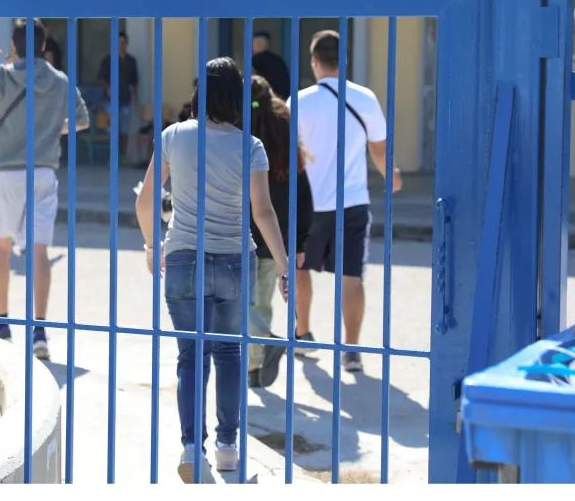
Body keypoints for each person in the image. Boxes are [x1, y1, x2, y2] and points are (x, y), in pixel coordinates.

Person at [135, 57, 289, 483]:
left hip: (183, 256)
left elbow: (145, 201)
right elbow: (263, 212)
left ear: (199, 94)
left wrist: (152, 244)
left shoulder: (173, 136)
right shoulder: (250, 146)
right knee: (228, 352)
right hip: (234, 260)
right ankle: (227, 447)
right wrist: (283, 267)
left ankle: (191, 446)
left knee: (190, 356)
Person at [0, 19, 90, 360]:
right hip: (44, 170)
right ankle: (39, 331)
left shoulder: (1, 77)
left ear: (14, 45)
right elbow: (83, 121)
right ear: (44, 45)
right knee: (39, 251)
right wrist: (51, 130)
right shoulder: (60, 80)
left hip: (7, 171)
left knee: (1, 248)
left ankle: (2, 323)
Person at [291, 30, 402, 373]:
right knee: (351, 276)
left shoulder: (299, 101)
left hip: (308, 204)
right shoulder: (364, 98)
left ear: (314, 61)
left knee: (299, 268)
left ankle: (303, 333)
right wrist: (393, 177)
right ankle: (351, 350)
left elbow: (288, 153)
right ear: (344, 60)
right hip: (351, 202)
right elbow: (379, 150)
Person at [248, 75, 314, 388]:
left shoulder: (237, 137)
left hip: (235, 233)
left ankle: (254, 357)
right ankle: (254, 365)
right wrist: (299, 241)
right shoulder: (285, 137)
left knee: (231, 302)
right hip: (275, 238)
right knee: (260, 302)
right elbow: (303, 194)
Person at [97, 31, 138, 159]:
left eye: (123, 42)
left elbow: (134, 81)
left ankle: (122, 156)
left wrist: (134, 95)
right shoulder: (108, 60)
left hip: (126, 98)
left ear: (126, 43)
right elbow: (101, 78)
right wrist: (107, 87)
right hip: (111, 100)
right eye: (118, 42)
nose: (121, 45)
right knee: (112, 130)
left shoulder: (131, 61)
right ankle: (112, 157)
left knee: (124, 130)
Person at [251, 32, 291, 100]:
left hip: (265, 100)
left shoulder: (256, 60)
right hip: (281, 99)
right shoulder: (277, 59)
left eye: (254, 43)